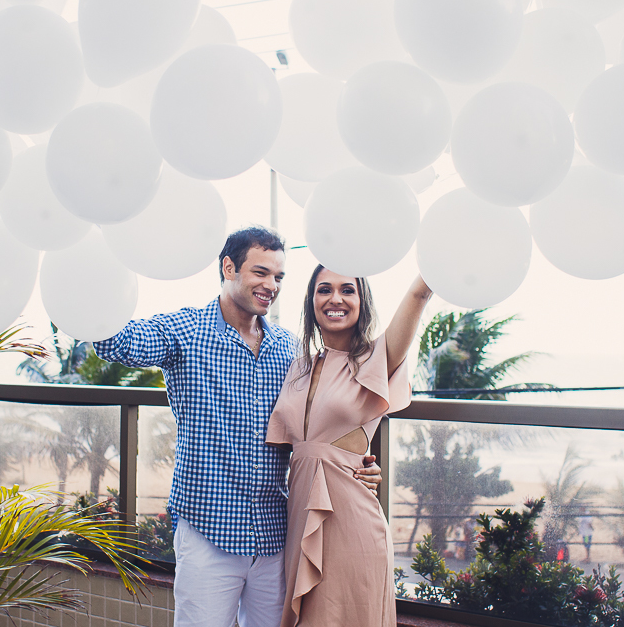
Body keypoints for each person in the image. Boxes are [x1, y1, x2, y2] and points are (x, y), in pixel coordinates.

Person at [93, 228, 382, 627]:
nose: (271, 285)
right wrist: (93, 288)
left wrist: (358, 464)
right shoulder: (185, 332)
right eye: (260, 272)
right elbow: (117, 343)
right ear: (229, 267)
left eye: (278, 277)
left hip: (273, 534)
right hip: (208, 533)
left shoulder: (288, 348)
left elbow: (320, 424)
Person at [266, 265, 434, 627]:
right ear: (311, 300)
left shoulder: (377, 357)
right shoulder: (299, 367)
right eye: (324, 289)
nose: (335, 299)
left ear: (363, 301)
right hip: (299, 518)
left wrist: (439, 259)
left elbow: (418, 295)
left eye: (347, 290)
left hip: (351, 523)